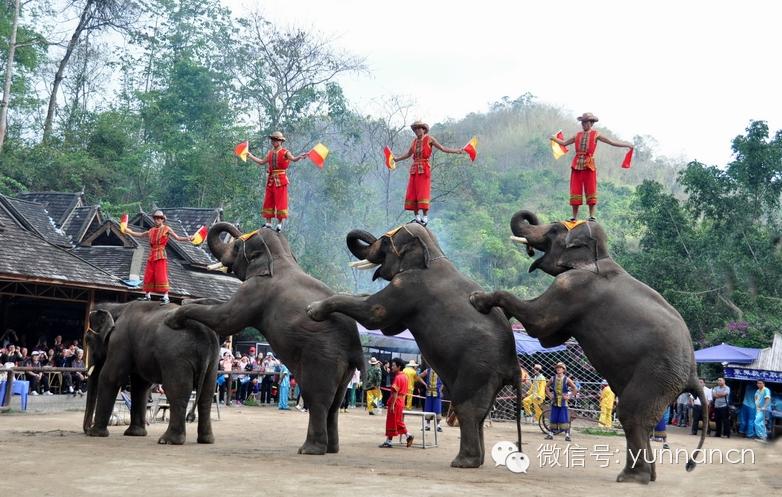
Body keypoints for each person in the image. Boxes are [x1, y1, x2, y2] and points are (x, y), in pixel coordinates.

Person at [550, 112, 634, 221]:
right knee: (575, 189)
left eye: (586, 122)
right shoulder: (577, 135)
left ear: (591, 123)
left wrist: (627, 144)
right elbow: (565, 143)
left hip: (589, 165)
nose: (583, 124)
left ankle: (591, 216)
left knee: (591, 189)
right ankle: (574, 217)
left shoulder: (596, 134)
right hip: (576, 165)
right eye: (582, 122)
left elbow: (611, 142)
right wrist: (554, 139)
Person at [389, 121, 467, 225]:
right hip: (414, 169)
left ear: (423, 129)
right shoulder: (414, 142)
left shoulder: (429, 139)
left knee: (423, 192)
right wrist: (396, 159)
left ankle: (425, 217)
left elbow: (443, 148)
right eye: (415, 129)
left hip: (424, 169)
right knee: (412, 192)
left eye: (419, 128)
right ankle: (417, 216)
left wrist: (457, 151)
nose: (417, 131)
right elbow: (408, 154)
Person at [124, 210, 194, 304]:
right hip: (152, 254)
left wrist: (188, 238)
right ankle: (147, 295)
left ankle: (166, 297)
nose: (156, 220)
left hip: (160, 254)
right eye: (155, 218)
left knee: (161, 274)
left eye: (159, 219)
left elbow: (178, 238)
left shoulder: (166, 229)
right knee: (149, 274)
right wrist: (128, 231)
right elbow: (140, 235)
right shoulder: (151, 230)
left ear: (162, 220)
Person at [246, 131, 307, 231]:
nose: (273, 142)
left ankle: (279, 224)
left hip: (281, 180)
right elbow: (261, 162)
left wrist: (300, 156)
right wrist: (250, 155)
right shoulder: (270, 153)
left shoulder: (285, 152)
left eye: (275, 140)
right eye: (272, 140)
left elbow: (294, 159)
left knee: (281, 200)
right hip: (271, 180)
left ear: (280, 141)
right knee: (268, 200)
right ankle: (268, 223)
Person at [379, 358, 413, 448]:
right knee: (396, 421)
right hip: (401, 401)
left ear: (399, 366)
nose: (392, 367)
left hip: (396, 401)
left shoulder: (398, 377)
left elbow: (395, 392)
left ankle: (407, 435)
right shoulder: (405, 376)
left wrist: (392, 404)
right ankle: (391, 440)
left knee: (394, 421)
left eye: (394, 365)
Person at [545, 362, 578, 442]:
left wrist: (569, 396)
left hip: (563, 402)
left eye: (560, 367)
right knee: (553, 417)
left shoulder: (567, 379)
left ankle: (567, 435)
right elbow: (546, 386)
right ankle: (550, 434)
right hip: (555, 401)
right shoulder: (553, 378)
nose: (558, 369)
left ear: (563, 370)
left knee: (564, 418)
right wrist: (550, 394)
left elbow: (575, 388)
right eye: (557, 367)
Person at [417, 365, 443, 432]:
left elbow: (445, 380)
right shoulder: (427, 370)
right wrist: (425, 384)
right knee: (428, 409)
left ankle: (438, 425)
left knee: (437, 409)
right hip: (429, 393)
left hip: (437, 393)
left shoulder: (440, 370)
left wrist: (441, 388)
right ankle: (427, 425)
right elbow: (419, 376)